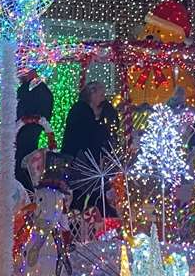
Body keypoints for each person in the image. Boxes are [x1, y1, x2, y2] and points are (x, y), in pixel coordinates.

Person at [61, 81, 120, 215]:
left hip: (85, 160)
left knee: (89, 193)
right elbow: (87, 136)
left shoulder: (86, 110)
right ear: (92, 94)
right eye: (101, 94)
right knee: (85, 193)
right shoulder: (82, 111)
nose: (103, 97)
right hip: (80, 160)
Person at [14, 69, 55, 190]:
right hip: (28, 134)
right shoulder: (43, 90)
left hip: (25, 135)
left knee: (22, 166)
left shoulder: (31, 90)